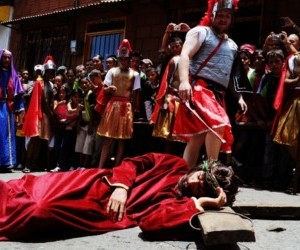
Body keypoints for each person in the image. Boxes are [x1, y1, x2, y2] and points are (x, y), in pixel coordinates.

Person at [0, 152, 239, 241]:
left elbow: (151, 223)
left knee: (41, 209)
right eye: (201, 176)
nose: (196, 183)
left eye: (202, 188)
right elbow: (136, 162)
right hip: (103, 183)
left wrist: (200, 203)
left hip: (99, 213)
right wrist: (122, 187)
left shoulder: (180, 202)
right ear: (201, 167)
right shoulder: (175, 165)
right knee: (30, 190)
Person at [173, 0, 247, 167]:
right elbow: (184, 55)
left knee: (197, 137)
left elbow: (229, 76)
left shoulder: (233, 45)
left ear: (232, 19)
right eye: (220, 15)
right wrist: (184, 81)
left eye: (227, 16)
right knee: (218, 123)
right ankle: (212, 172)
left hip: (218, 94)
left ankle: (183, 178)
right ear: (212, 15)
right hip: (201, 88)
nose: (223, 19)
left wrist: (240, 97)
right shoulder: (201, 32)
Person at [97, 39, 141, 168]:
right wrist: (109, 89)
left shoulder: (135, 74)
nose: (123, 60)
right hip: (113, 104)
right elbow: (104, 88)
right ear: (118, 58)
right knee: (108, 138)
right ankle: (100, 167)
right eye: (121, 58)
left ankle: (116, 166)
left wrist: (135, 110)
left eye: (126, 58)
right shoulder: (112, 71)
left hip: (126, 106)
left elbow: (136, 93)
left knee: (122, 139)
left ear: (129, 59)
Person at [0, 49, 24, 172]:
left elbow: (19, 95)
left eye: (9, 58)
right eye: (4, 57)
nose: (7, 60)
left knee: (6, 135)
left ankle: (6, 162)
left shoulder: (13, 75)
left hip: (7, 108)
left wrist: (20, 110)